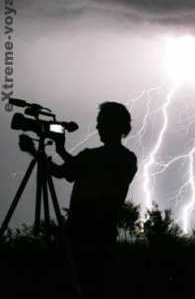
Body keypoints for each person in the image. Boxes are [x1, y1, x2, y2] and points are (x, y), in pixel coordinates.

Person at [20, 101, 137, 297]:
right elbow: (77, 169)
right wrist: (60, 151)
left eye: (101, 122)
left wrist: (34, 152)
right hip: (105, 239)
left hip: (78, 240)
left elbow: (63, 171)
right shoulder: (128, 159)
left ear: (112, 125)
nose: (97, 126)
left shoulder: (92, 157)